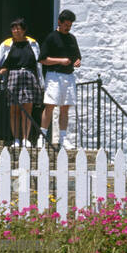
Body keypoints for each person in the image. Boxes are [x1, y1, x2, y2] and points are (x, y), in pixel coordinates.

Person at [0, 17, 41, 151]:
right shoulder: (6, 44)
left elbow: (38, 64)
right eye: (13, 28)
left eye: (18, 28)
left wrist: (40, 81)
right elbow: (3, 63)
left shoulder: (33, 43)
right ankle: (16, 139)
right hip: (14, 77)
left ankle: (25, 138)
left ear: (24, 30)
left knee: (27, 109)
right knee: (14, 110)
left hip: (29, 76)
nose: (15, 31)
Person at [38, 9, 82, 151]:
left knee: (65, 108)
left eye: (70, 25)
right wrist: (60, 61)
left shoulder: (72, 38)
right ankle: (42, 137)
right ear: (59, 22)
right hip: (54, 75)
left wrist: (77, 62)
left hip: (68, 77)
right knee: (50, 106)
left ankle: (62, 139)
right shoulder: (51, 37)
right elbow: (43, 60)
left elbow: (77, 56)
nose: (68, 28)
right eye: (66, 25)